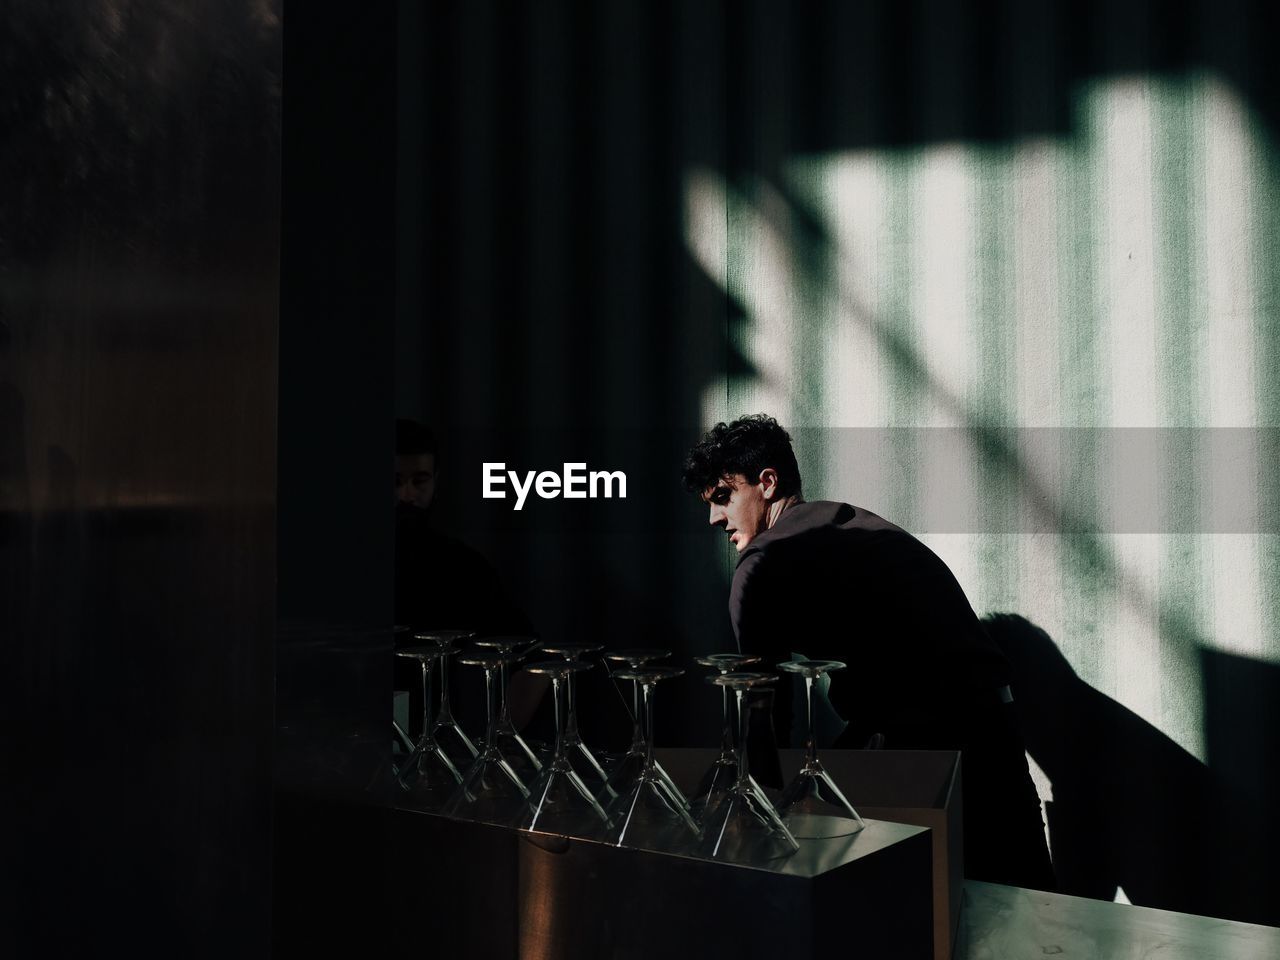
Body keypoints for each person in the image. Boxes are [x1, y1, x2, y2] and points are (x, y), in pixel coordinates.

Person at [682, 414, 1055, 890]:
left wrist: (757, 836)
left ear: (767, 483)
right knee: (1031, 908)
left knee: (907, 913)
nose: (714, 517)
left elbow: (764, 714)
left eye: (722, 497)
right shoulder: (851, 522)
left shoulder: (761, 565)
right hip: (995, 735)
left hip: (923, 757)